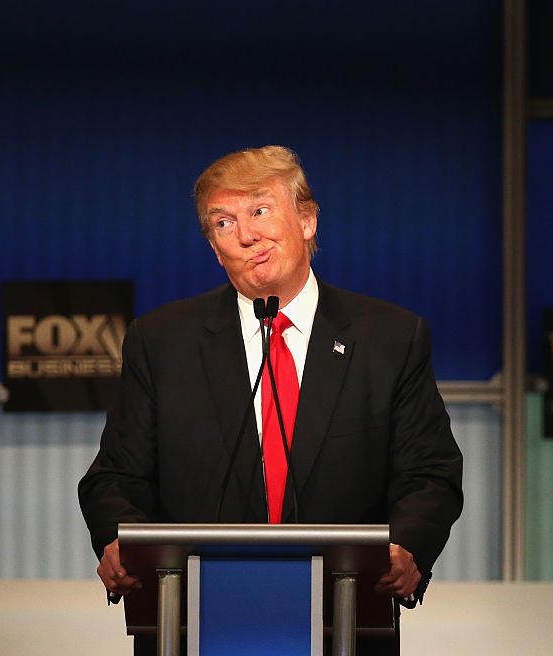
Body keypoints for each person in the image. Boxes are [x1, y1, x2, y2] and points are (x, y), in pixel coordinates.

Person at [78, 145, 463, 654]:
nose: (246, 235)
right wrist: (117, 540)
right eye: (223, 222)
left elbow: (430, 473)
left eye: (260, 211)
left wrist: (406, 545)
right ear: (215, 249)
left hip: (345, 619)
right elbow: (115, 477)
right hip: (191, 622)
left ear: (306, 220)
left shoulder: (390, 338)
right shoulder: (161, 341)